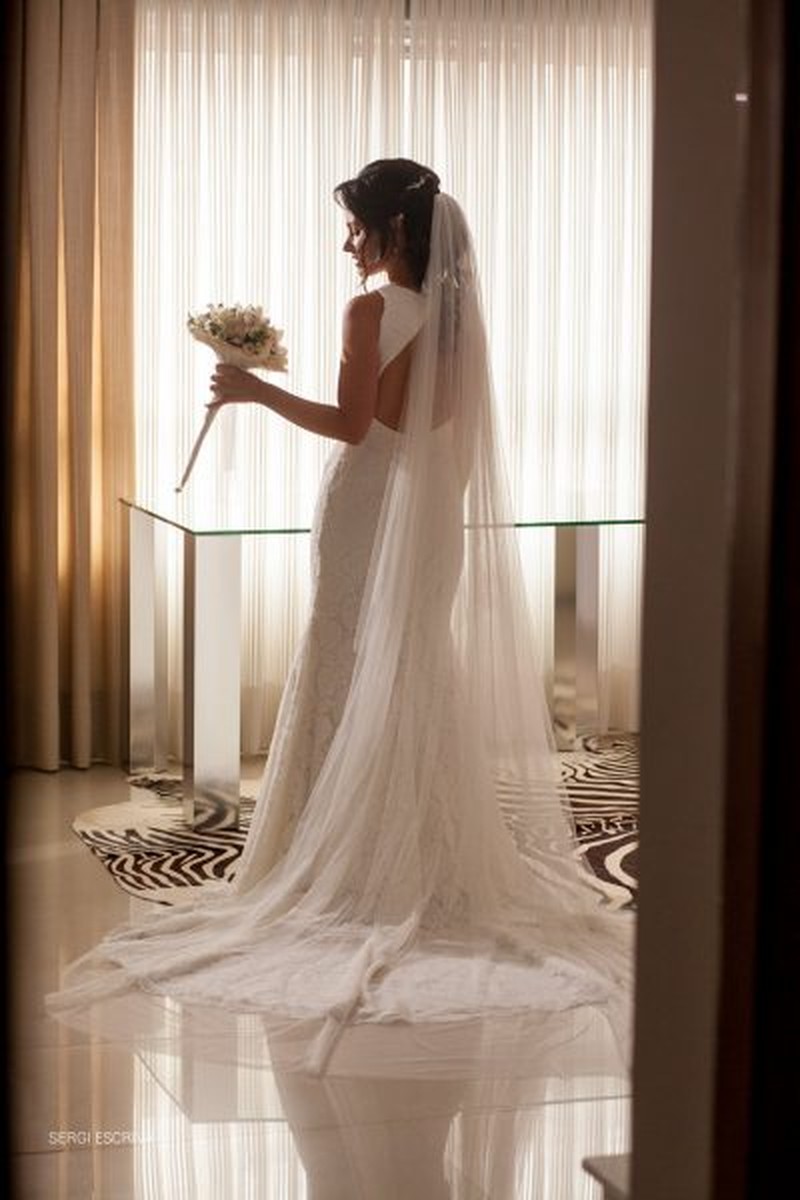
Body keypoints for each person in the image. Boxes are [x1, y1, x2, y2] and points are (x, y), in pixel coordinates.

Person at [45, 160, 634, 1085]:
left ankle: (342, 866)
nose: (346, 243)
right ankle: (421, 857)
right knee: (408, 668)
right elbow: (447, 438)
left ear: (395, 233)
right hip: (429, 516)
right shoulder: (456, 318)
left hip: (367, 510)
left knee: (346, 662)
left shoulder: (371, 312)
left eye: (356, 226)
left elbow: (356, 428)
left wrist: (250, 391)